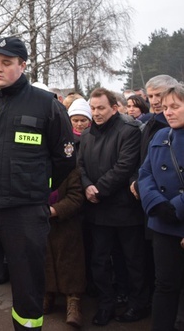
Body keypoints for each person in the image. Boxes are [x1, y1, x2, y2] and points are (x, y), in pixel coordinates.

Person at [0, 36, 76, 331]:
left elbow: (63, 161)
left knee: (27, 284)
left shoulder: (46, 105)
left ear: (23, 66)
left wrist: (34, 186)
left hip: (24, 212)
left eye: (6, 63)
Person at [78, 88, 148, 325]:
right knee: (99, 261)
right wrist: (87, 185)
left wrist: (98, 190)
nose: (96, 113)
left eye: (101, 108)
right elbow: (80, 167)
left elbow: (125, 166)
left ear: (114, 108)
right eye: (93, 108)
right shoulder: (86, 136)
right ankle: (106, 304)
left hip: (124, 210)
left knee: (132, 260)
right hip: (97, 211)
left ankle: (137, 304)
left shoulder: (129, 132)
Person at [138, 83, 184, 331]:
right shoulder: (160, 136)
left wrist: (176, 206)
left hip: (177, 218)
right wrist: (156, 203)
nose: (168, 112)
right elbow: (145, 174)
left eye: (175, 106)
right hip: (163, 225)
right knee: (165, 285)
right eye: (165, 107)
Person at [43, 99, 89, 327]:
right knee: (44, 261)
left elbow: (76, 197)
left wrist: (54, 210)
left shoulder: (71, 167)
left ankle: (73, 301)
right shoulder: (37, 165)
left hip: (66, 223)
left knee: (70, 262)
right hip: (41, 223)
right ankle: (48, 294)